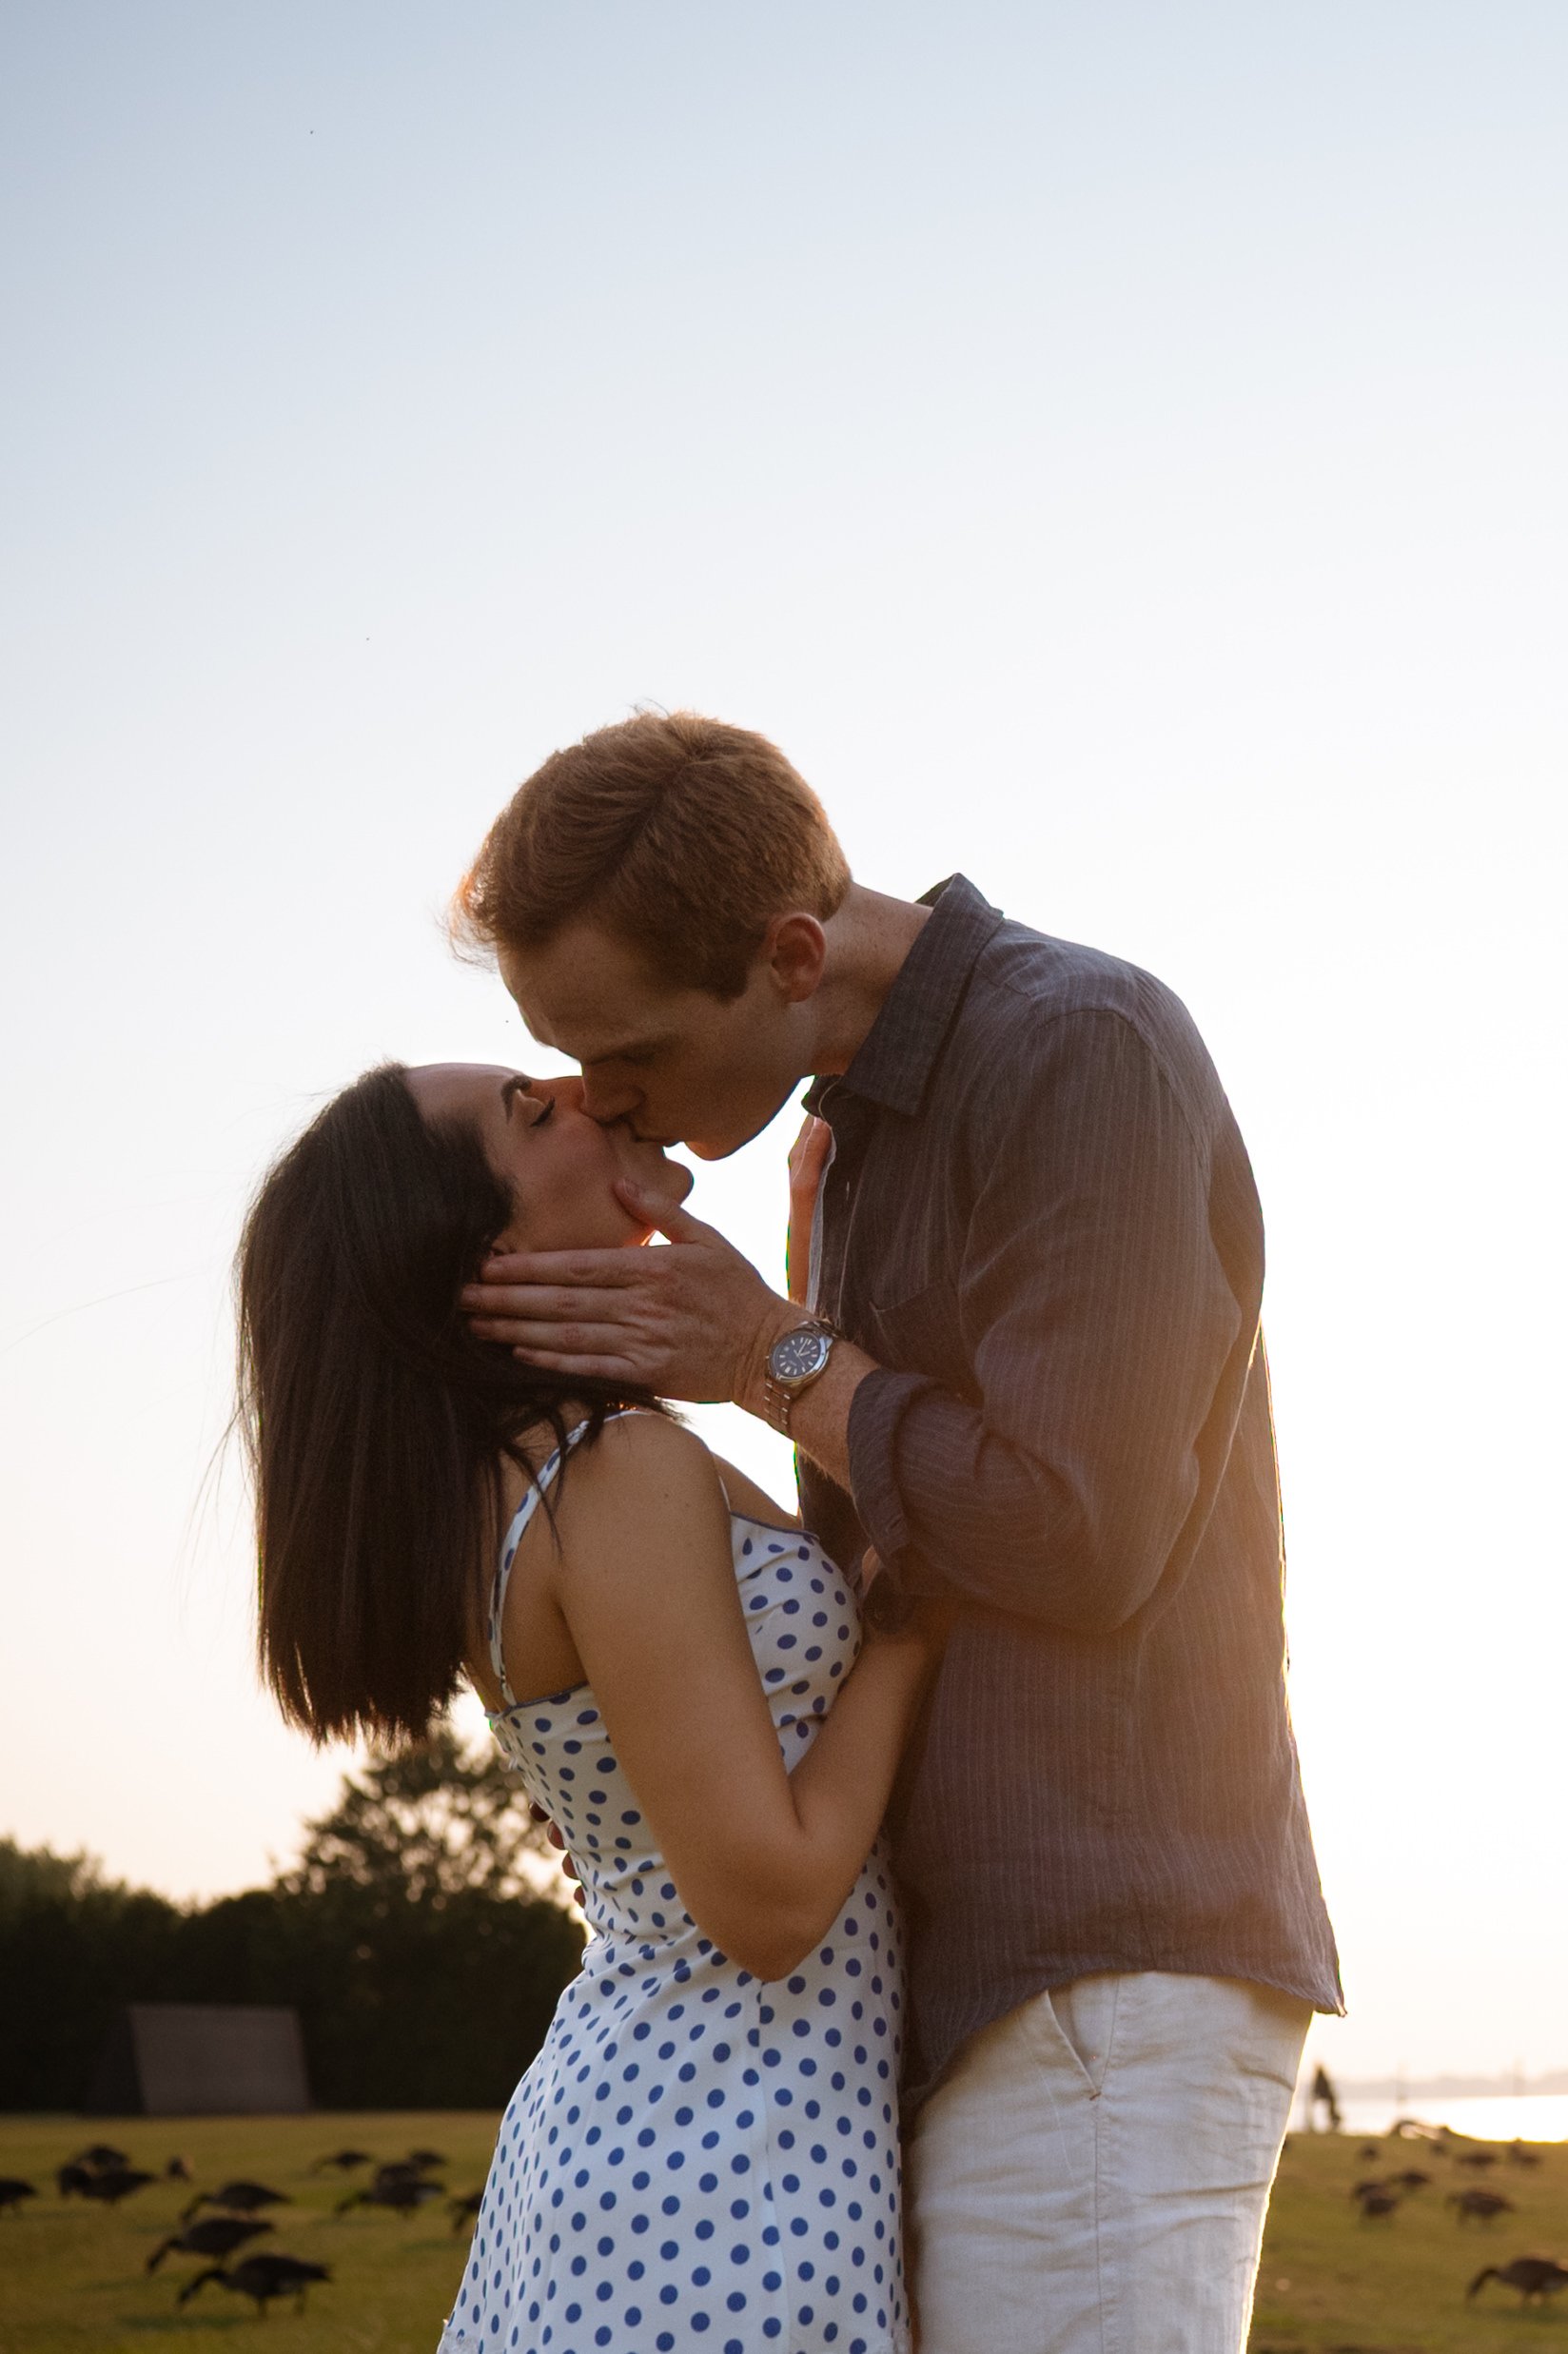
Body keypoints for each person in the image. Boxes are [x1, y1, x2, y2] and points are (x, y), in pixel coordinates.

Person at [459, 710, 1344, 2354]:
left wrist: (770, 1354)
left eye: (629, 1048)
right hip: (959, 1980)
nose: (603, 1096)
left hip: (1096, 1952)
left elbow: (1081, 1532)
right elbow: (900, 1552)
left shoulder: (1080, 1046)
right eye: (562, 1057)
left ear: (791, 955)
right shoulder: (859, 1139)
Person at [236, 1058, 948, 2354]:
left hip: (657, 2151)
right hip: (727, 2175)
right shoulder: (613, 1472)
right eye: (531, 1109)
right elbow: (772, 1902)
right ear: (488, 1258)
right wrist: (913, 1621)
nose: (587, 1088)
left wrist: (793, 1309)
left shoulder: (516, 1489)